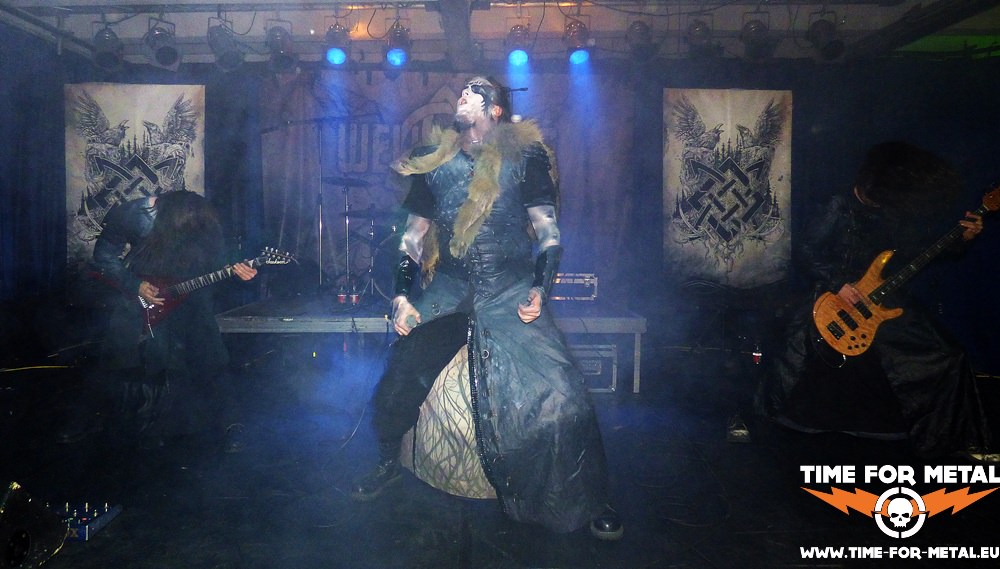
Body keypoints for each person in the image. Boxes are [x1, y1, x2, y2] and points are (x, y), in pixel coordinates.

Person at [350, 76, 622, 540]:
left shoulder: (526, 157)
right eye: (461, 90)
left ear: (495, 109)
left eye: (475, 91)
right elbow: (412, 237)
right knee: (403, 365)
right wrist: (401, 296)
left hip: (508, 285)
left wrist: (540, 290)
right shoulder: (434, 161)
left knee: (561, 386)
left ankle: (589, 496)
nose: (463, 94)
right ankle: (386, 460)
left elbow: (548, 232)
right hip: (451, 286)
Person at [756, 141, 992, 460]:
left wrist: (961, 240)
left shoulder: (892, 210)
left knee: (948, 354)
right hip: (833, 298)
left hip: (881, 299)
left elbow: (917, 251)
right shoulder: (837, 205)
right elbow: (805, 250)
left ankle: (954, 438)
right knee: (795, 356)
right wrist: (838, 283)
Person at [90, 189, 257, 451]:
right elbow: (103, 257)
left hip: (193, 293)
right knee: (156, 363)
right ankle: (154, 430)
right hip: (149, 296)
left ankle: (231, 424)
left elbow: (218, 258)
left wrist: (236, 269)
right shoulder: (133, 214)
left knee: (213, 357)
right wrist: (134, 285)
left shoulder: (200, 217)